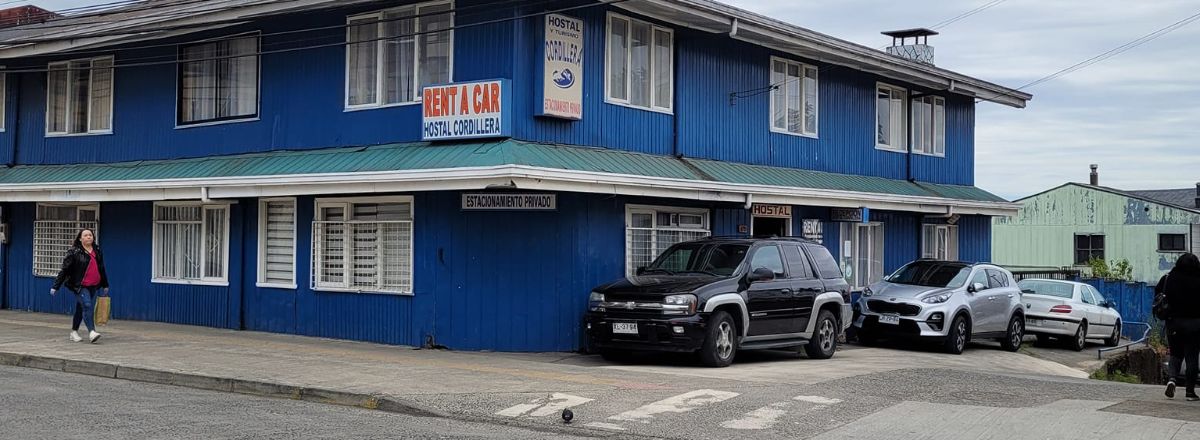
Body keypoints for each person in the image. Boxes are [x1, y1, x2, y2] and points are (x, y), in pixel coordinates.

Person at [50, 228, 110, 344]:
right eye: (86, 235)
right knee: (87, 305)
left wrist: (105, 284)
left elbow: (101, 268)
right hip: (79, 285)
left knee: (80, 307)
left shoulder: (97, 250)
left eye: (90, 235)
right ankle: (92, 332)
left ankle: (74, 332)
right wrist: (56, 286)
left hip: (93, 285)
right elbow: (65, 270)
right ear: (80, 238)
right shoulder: (74, 252)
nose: (88, 237)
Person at [1163, 253, 1200, 401]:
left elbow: (1160, 294)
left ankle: (1172, 379)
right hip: (1195, 325)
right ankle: (1190, 392)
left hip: (1174, 323)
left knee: (1175, 353)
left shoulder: (1170, 277)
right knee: (1191, 357)